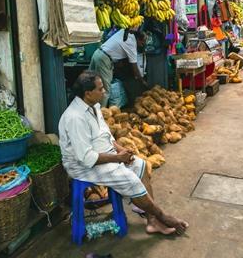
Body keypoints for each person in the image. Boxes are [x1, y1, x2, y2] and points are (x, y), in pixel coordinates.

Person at [59, 71, 189, 235]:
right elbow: (86, 158)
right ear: (88, 93)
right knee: (130, 179)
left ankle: (152, 221)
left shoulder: (94, 106)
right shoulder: (75, 118)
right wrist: (117, 158)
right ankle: (163, 217)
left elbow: (106, 135)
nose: (104, 91)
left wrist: (121, 151)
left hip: (105, 155)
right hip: (83, 166)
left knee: (140, 164)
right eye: (100, 89)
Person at [89, 29, 147, 107]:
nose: (142, 45)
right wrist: (142, 81)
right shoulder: (131, 43)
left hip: (97, 54)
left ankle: (90, 110)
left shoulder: (125, 32)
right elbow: (135, 67)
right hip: (104, 59)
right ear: (138, 39)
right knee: (105, 90)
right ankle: (101, 115)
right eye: (142, 43)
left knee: (91, 85)